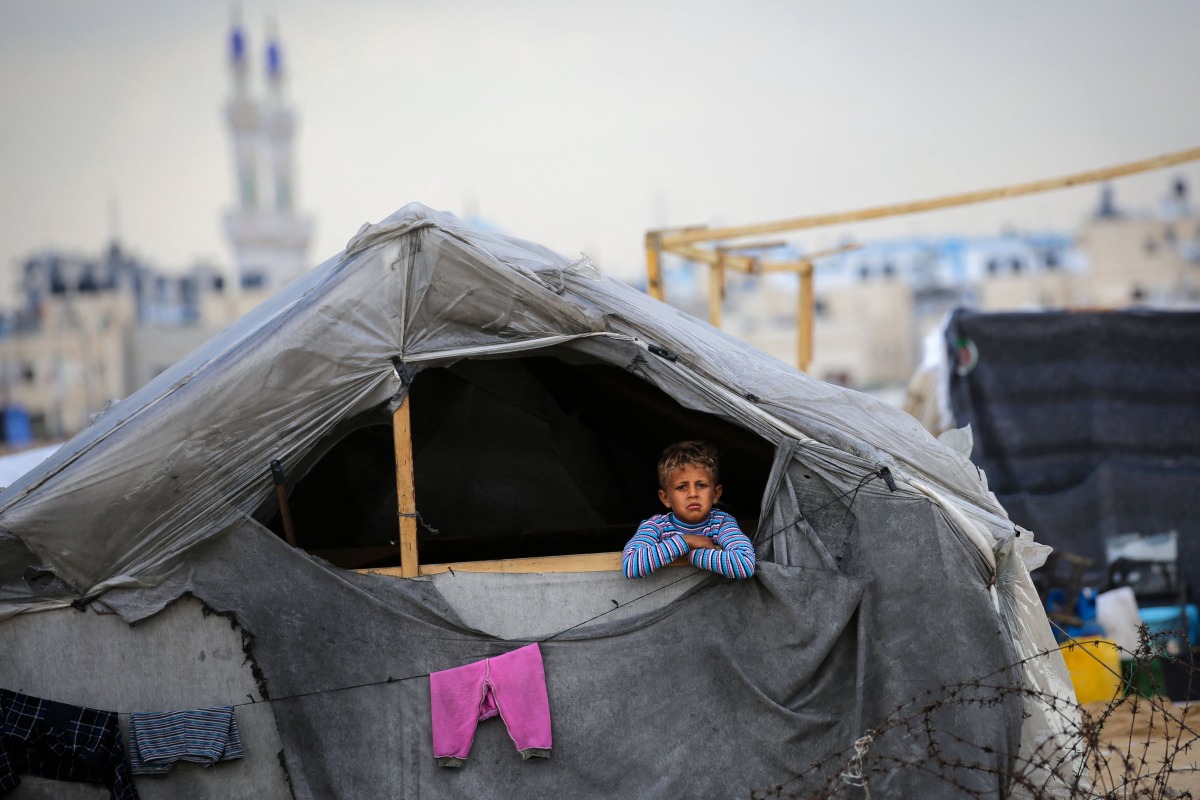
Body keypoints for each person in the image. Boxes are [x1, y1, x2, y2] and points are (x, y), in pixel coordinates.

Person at [622, 440, 755, 579]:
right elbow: (631, 565)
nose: (693, 494)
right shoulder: (656, 526)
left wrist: (692, 555)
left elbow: (745, 563)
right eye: (682, 487)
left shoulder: (721, 523)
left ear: (716, 494)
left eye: (701, 485)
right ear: (665, 498)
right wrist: (687, 541)